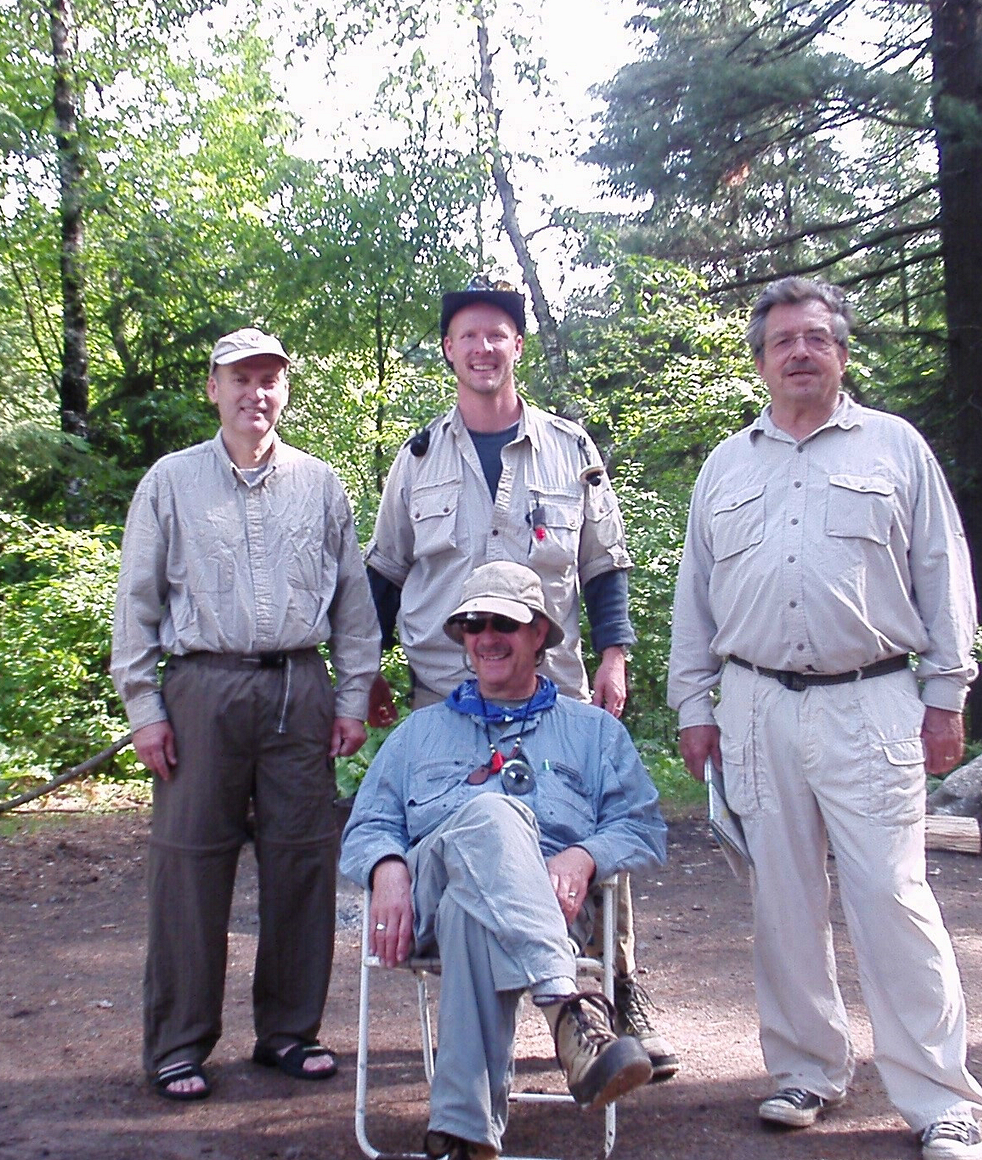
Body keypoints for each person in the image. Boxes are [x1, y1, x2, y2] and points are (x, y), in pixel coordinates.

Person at [667, 277, 982, 1160]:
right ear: (762, 362)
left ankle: (937, 1098)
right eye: (783, 342)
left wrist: (945, 694)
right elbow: (693, 601)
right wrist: (695, 706)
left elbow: (943, 572)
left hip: (875, 701)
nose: (800, 353)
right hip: (755, 704)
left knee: (893, 896)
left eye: (816, 338)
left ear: (842, 353)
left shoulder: (895, 449)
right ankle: (806, 1068)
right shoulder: (726, 467)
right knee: (781, 899)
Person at [363, 276, 677, 1082]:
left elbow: (604, 565)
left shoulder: (570, 449)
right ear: (447, 349)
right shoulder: (419, 458)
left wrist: (615, 653)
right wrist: (364, 672)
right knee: (469, 835)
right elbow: (386, 573)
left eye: (496, 334)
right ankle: (557, 1007)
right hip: (447, 691)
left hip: (554, 688)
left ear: (517, 347)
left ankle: (616, 994)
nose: (482, 348)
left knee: (576, 822)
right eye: (466, 335)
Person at [111, 326, 378, 1102]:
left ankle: (289, 1031)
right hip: (201, 689)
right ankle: (179, 1044)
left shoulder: (321, 484)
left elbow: (353, 604)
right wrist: (143, 706)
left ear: (284, 390)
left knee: (303, 860)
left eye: (269, 379)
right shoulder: (170, 481)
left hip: (300, 687)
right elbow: (136, 601)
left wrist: (353, 695)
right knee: (190, 866)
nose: (255, 393)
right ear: (213, 388)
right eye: (240, 379)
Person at [342, 561, 666, 1160]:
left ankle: (464, 1132)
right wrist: (387, 867)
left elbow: (642, 827)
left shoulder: (593, 733)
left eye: (504, 624)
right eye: (472, 624)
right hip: (432, 898)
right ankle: (567, 1006)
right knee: (492, 816)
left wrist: (584, 854)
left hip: (548, 905)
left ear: (539, 633)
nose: (486, 637)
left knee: (476, 913)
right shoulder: (418, 734)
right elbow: (369, 826)